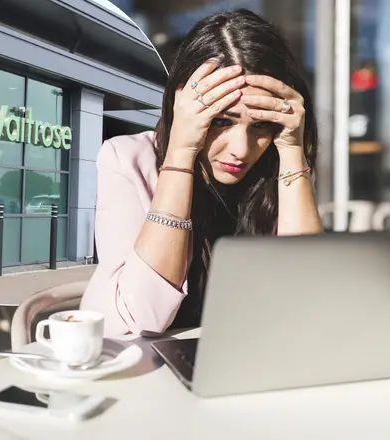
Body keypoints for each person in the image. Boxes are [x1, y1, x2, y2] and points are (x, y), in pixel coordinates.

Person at [80, 9, 323, 337]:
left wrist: (294, 152)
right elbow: (141, 318)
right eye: (221, 121)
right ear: (183, 105)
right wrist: (181, 152)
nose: (241, 148)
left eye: (262, 124)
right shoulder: (125, 160)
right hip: (140, 368)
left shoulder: (280, 165)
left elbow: (308, 304)